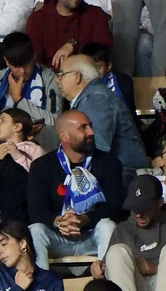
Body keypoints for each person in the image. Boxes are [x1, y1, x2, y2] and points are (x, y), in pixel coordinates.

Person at [26, 110, 126, 270]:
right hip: (58, 237)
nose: (91, 132)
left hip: (91, 236)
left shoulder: (108, 163)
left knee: (108, 226)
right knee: (35, 230)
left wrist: (85, 219)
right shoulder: (42, 166)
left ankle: (107, 283)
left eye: (90, 127)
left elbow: (115, 206)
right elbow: (36, 211)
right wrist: (59, 221)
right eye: (83, 128)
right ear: (64, 136)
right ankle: (42, 288)